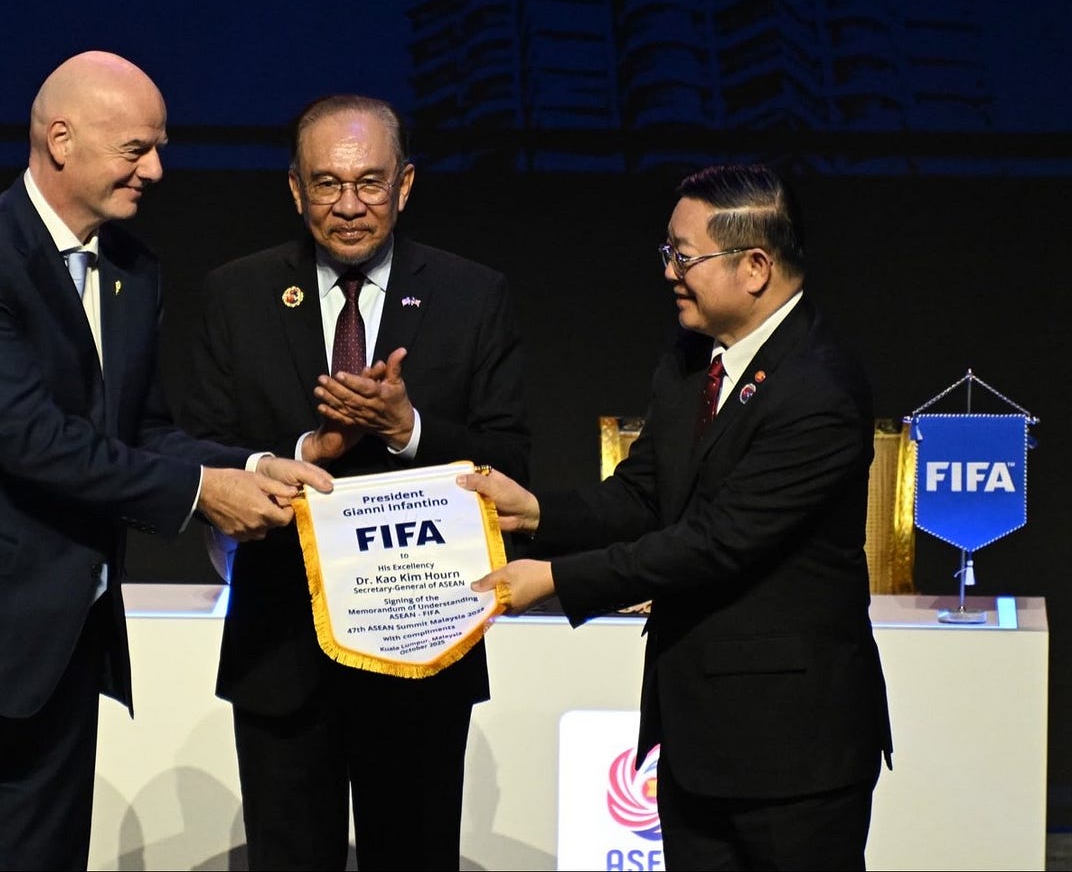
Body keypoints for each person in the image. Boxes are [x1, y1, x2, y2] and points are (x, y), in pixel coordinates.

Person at [0, 51, 333, 871]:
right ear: (60, 139)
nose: (158, 169)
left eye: (160, 146)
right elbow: (30, 437)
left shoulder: (134, 270)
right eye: (137, 149)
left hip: (62, 651)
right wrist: (203, 492)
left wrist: (262, 461)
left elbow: (143, 429)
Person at [460, 163, 893, 871]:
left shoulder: (820, 388)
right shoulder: (691, 363)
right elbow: (642, 496)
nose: (668, 271)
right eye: (668, 252)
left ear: (754, 266)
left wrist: (552, 581)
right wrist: (535, 512)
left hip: (794, 754)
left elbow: (717, 542)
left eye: (682, 255)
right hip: (695, 739)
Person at [176, 94, 530, 870]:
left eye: (369, 183)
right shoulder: (237, 294)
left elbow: (514, 462)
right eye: (327, 184)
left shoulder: (473, 296)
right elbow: (194, 447)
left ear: (405, 186)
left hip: (421, 648)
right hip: (281, 652)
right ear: (295, 190)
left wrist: (408, 429)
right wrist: (310, 445)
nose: (349, 206)